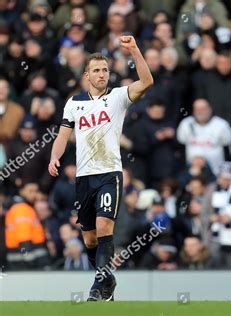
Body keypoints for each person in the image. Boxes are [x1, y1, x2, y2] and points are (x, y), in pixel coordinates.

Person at [48, 36, 153, 301]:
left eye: (105, 69)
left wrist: (135, 51)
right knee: (90, 239)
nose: (102, 74)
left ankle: (97, 287)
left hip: (109, 173)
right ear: (86, 75)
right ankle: (109, 280)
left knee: (105, 225)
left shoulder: (118, 97)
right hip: (84, 177)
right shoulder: (74, 103)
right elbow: (62, 136)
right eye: (96, 70)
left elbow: (147, 82)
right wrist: (54, 158)